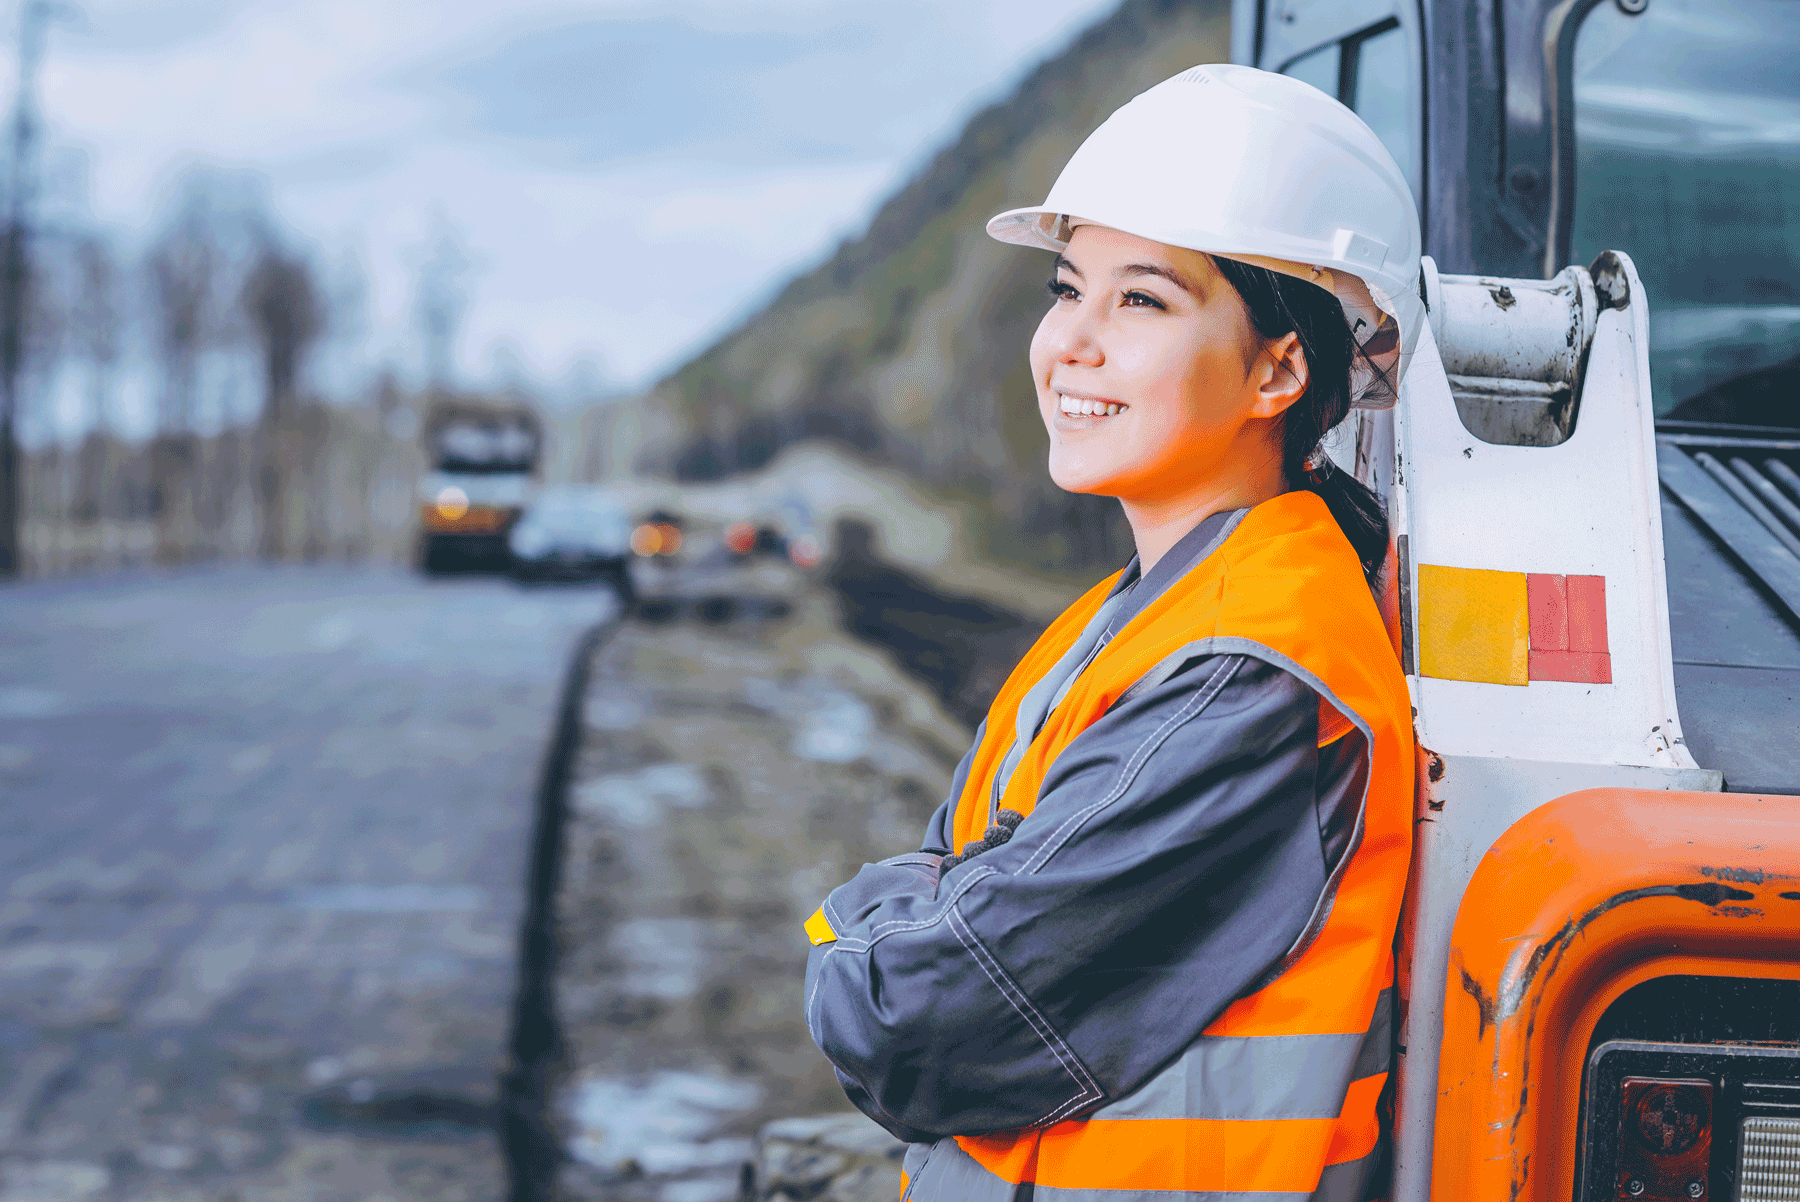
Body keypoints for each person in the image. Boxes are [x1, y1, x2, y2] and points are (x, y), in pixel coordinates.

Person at [801, 64, 1419, 1202]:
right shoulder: (1138, 614)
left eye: (1141, 300)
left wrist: (864, 926)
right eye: (1066, 287)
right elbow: (953, 905)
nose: (1070, 344)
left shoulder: (1247, 670)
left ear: (1281, 366)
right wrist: (929, 905)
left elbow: (912, 1019)